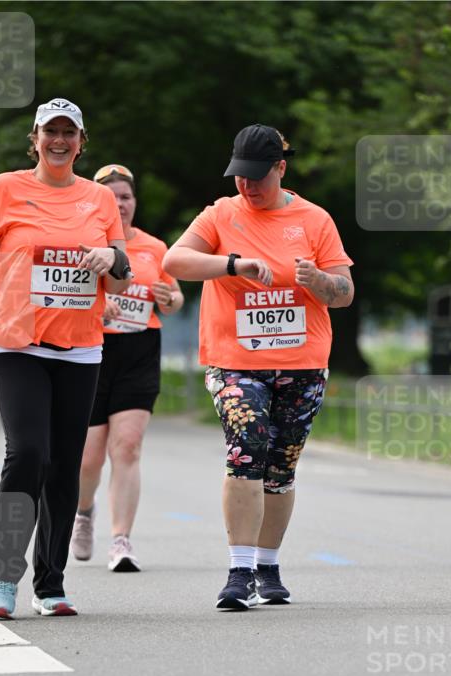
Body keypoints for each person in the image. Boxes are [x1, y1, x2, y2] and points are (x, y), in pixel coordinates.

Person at [0, 98, 130, 618]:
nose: (59, 141)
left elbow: (122, 268)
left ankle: (51, 584)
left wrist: (112, 257)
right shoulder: (5, 189)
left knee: (64, 468)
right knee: (27, 455)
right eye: (51, 132)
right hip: (16, 343)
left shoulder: (99, 199)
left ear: (82, 141)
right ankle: (2, 577)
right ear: (36, 137)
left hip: (82, 347)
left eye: (70, 132)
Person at [163, 124, 354, 610]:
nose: (247, 187)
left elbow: (345, 293)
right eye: (239, 177)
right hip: (235, 361)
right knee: (246, 450)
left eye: (257, 178)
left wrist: (319, 283)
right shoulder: (221, 214)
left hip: (302, 362)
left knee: (280, 468)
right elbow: (175, 260)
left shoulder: (315, 220)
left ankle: (267, 565)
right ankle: (239, 570)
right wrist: (232, 265)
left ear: (280, 169)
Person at [71, 164, 184, 570]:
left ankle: (121, 540)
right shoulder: (84, 244)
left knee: (128, 447)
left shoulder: (155, 247)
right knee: (87, 458)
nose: (120, 204)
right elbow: (67, 296)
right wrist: (100, 305)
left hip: (139, 351)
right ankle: (84, 513)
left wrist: (169, 301)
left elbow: (175, 297)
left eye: (126, 197)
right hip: (92, 351)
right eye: (112, 197)